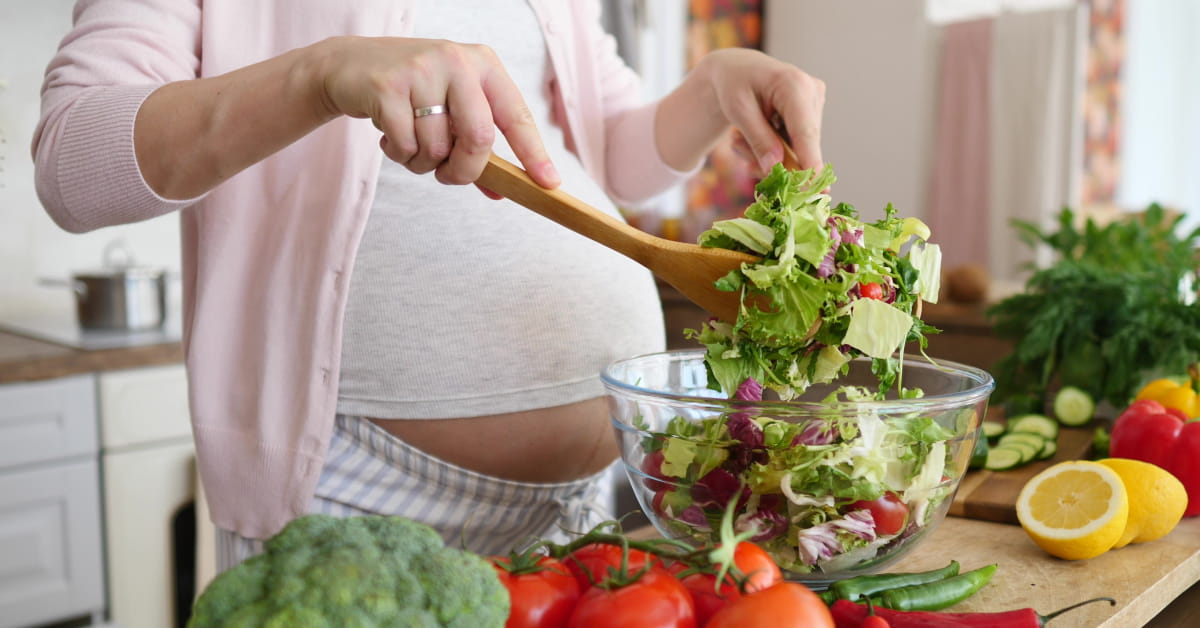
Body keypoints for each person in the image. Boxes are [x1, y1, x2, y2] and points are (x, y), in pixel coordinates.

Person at [33, 0, 825, 571]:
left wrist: (711, 87)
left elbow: (610, 157)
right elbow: (73, 163)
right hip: (355, 499)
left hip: (586, 505)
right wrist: (322, 73)